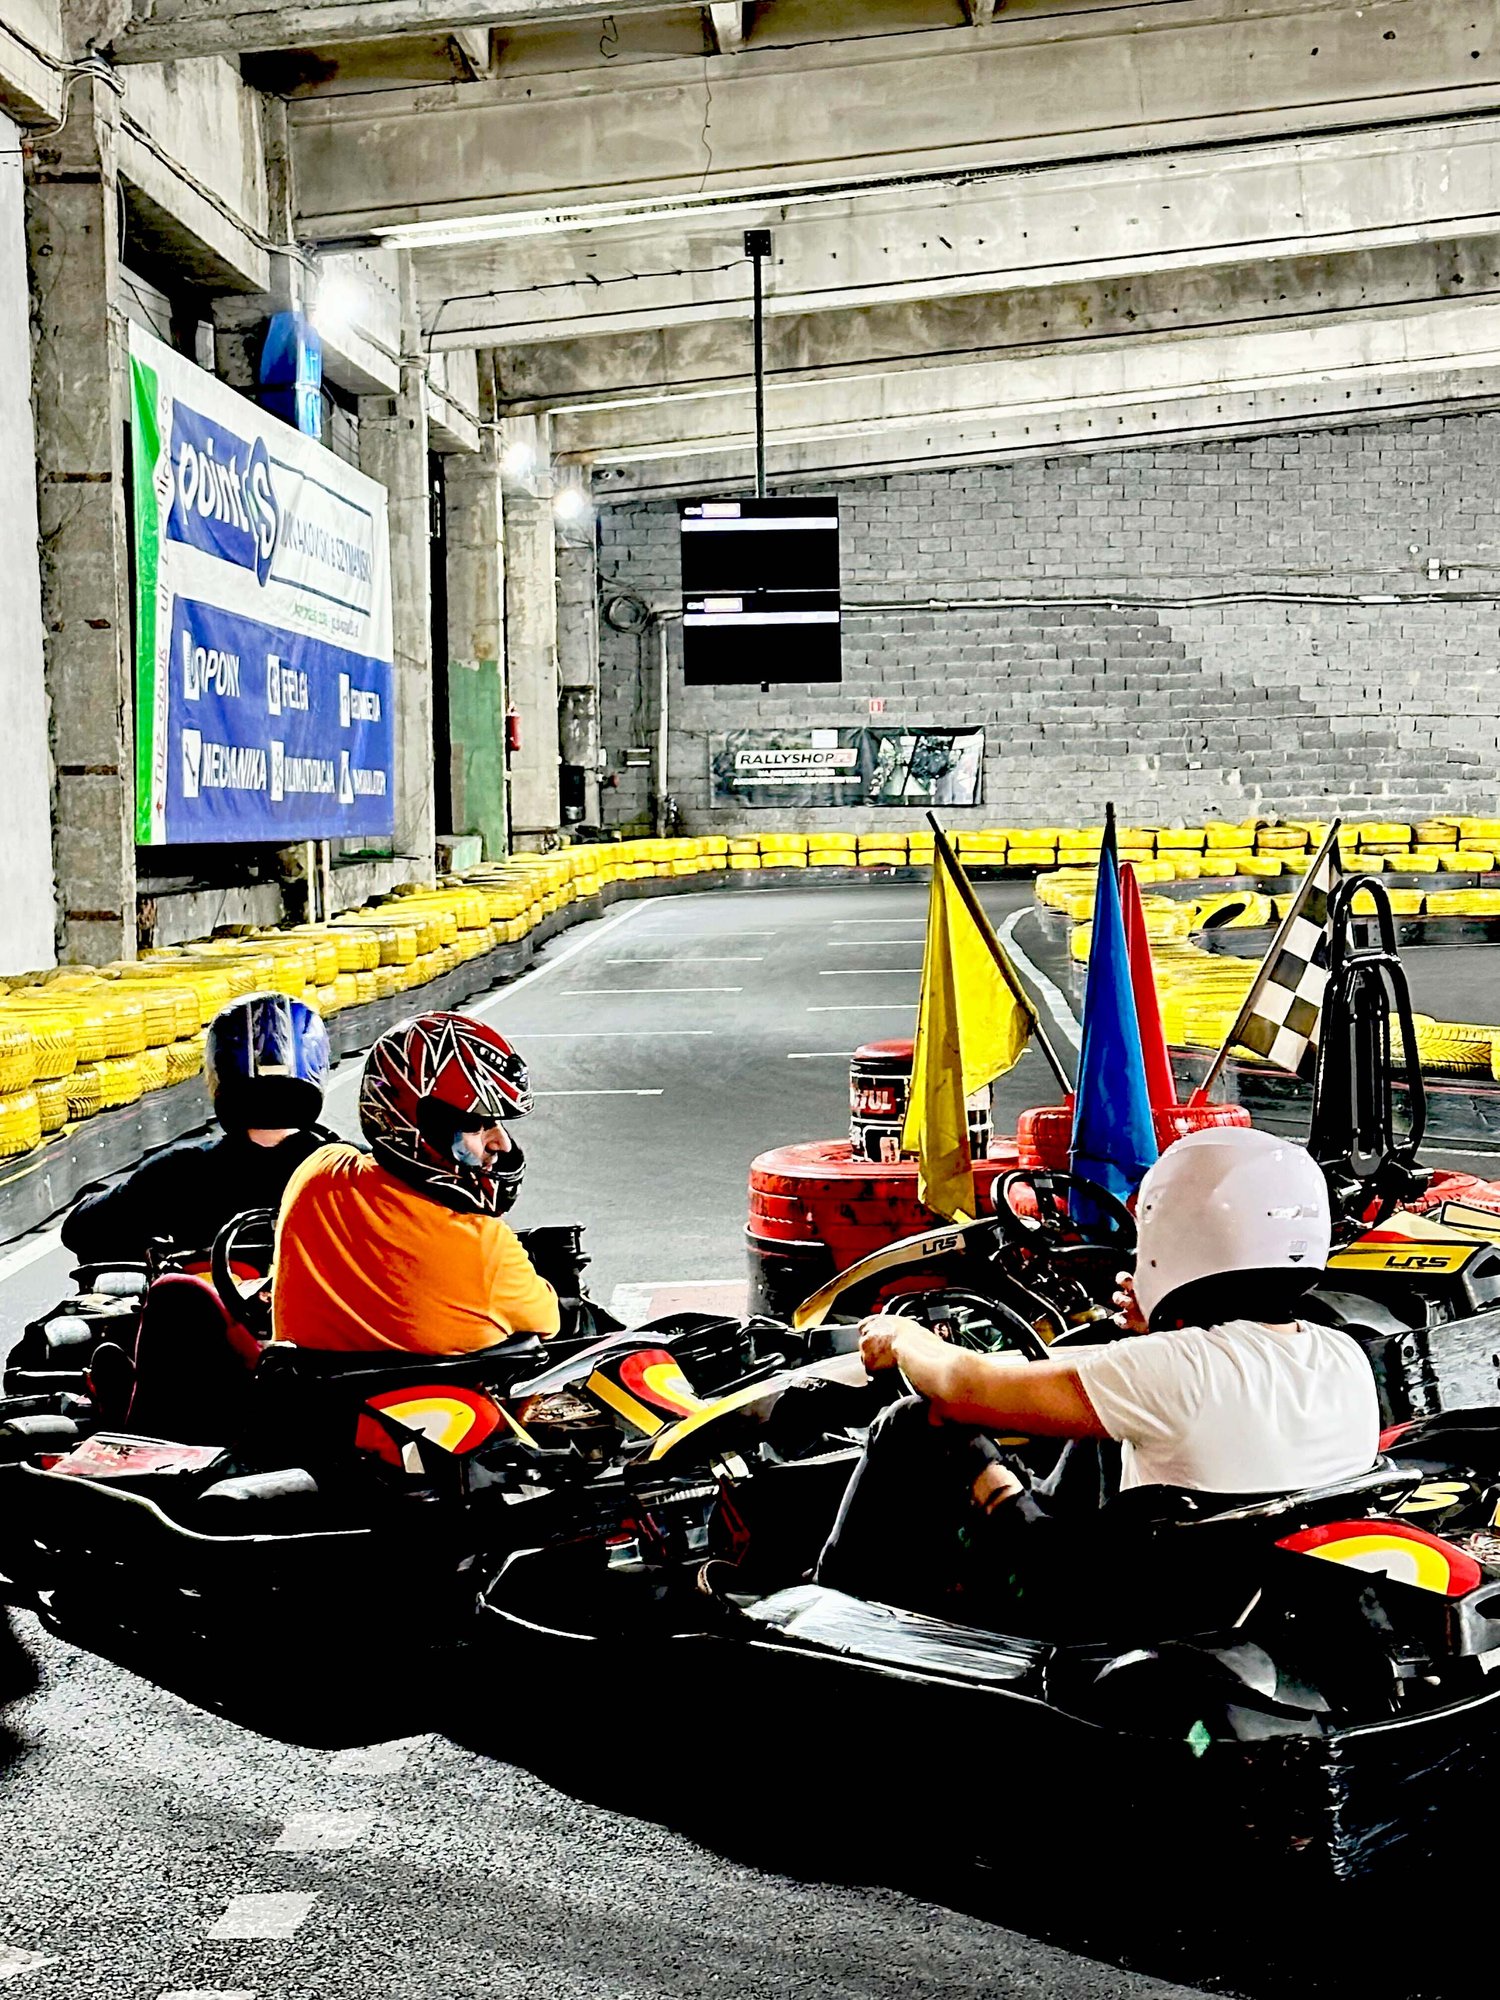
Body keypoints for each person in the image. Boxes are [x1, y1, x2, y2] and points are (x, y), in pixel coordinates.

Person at [816, 1125, 1380, 1621]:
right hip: (1227, 1591)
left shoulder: (1172, 1369)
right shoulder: (1343, 1354)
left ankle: (828, 1620)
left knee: (914, 1422)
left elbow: (960, 1387)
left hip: (1096, 1605)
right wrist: (1158, 1326)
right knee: (1098, 1440)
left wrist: (902, 1336)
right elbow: (1197, 1394)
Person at [271, 1011, 560, 1354]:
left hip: (311, 1385)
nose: (502, 1144)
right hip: (451, 1390)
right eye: (476, 1125)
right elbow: (549, 1322)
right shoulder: (486, 1250)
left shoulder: (318, 1174)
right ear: (423, 1125)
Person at [62, 993, 335, 1265]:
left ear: (220, 1070)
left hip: (213, 1290)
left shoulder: (181, 1171)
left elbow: (81, 1230)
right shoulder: (347, 1168)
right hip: (322, 1293)